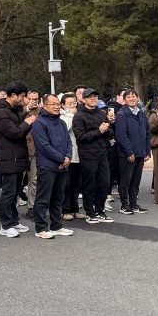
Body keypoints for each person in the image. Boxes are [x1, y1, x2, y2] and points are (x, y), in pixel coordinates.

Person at [0, 83, 35, 238]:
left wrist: (25, 118)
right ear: (13, 95)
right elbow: (14, 132)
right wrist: (28, 122)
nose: (24, 99)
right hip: (8, 157)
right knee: (9, 192)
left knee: (15, 191)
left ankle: (14, 220)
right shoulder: (1, 112)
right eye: (22, 96)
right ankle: (6, 224)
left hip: (18, 156)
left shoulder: (13, 111)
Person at [30, 94, 72, 239]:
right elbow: (44, 146)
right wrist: (61, 159)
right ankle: (41, 228)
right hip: (47, 166)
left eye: (58, 104)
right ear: (44, 106)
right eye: (52, 104)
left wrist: (68, 157)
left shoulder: (61, 123)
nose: (56, 107)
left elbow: (68, 142)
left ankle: (56, 225)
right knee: (43, 198)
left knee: (58, 197)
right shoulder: (39, 123)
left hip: (62, 166)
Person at [73, 89, 113, 223]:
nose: (93, 99)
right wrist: (99, 131)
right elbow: (81, 136)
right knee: (89, 185)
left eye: (95, 96)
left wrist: (107, 129)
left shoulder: (101, 114)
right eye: (89, 97)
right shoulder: (79, 116)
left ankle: (100, 210)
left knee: (105, 183)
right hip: (87, 154)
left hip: (102, 153)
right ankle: (90, 212)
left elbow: (110, 133)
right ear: (83, 99)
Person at [114, 89, 151, 215]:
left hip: (140, 153)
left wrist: (147, 151)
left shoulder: (141, 113)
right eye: (128, 97)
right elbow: (121, 135)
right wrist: (129, 152)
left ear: (138, 98)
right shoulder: (122, 114)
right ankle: (124, 205)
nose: (132, 99)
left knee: (136, 180)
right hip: (127, 154)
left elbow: (147, 133)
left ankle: (133, 203)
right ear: (124, 100)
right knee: (125, 180)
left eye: (134, 96)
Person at [59, 93, 82, 221]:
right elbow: (64, 128)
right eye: (69, 104)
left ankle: (74, 209)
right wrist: (71, 114)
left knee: (76, 185)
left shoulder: (79, 114)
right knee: (66, 185)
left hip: (79, 154)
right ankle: (64, 210)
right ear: (62, 105)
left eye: (74, 103)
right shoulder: (61, 116)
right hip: (67, 155)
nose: (73, 106)